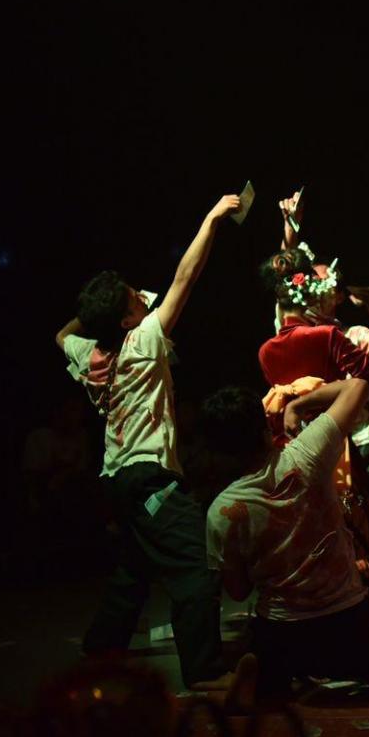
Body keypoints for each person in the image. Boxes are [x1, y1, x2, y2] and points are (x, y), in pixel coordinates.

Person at [54, 193, 240, 688]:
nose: (141, 294)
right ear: (125, 320)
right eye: (132, 296)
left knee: (135, 566)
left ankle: (102, 645)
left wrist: (95, 314)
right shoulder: (143, 340)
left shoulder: (88, 354)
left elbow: (61, 335)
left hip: (117, 481)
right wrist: (211, 219)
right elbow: (186, 277)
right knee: (196, 564)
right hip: (147, 477)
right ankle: (204, 670)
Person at [201, 378, 369, 711]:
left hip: (281, 629)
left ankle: (257, 675)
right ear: (265, 430)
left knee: (273, 669)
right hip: (347, 620)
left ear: (217, 452)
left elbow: (238, 591)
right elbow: (358, 386)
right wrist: (299, 404)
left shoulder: (222, 511)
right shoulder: (306, 454)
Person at [256, 242, 369, 637]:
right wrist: (289, 234)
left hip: (360, 442)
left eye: (328, 284)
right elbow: (285, 281)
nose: (322, 289)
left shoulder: (349, 333)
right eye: (314, 282)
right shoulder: (305, 335)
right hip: (321, 451)